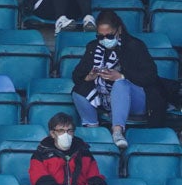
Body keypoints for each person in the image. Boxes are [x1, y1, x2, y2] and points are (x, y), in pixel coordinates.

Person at [71, 9, 166, 149]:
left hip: (136, 99)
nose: (104, 40)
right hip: (105, 98)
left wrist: (121, 76)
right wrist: (89, 76)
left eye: (109, 36)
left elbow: (150, 76)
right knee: (78, 90)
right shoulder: (93, 47)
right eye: (100, 36)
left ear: (118, 30)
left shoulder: (134, 46)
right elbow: (76, 75)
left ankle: (117, 131)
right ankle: (92, 130)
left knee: (120, 84)